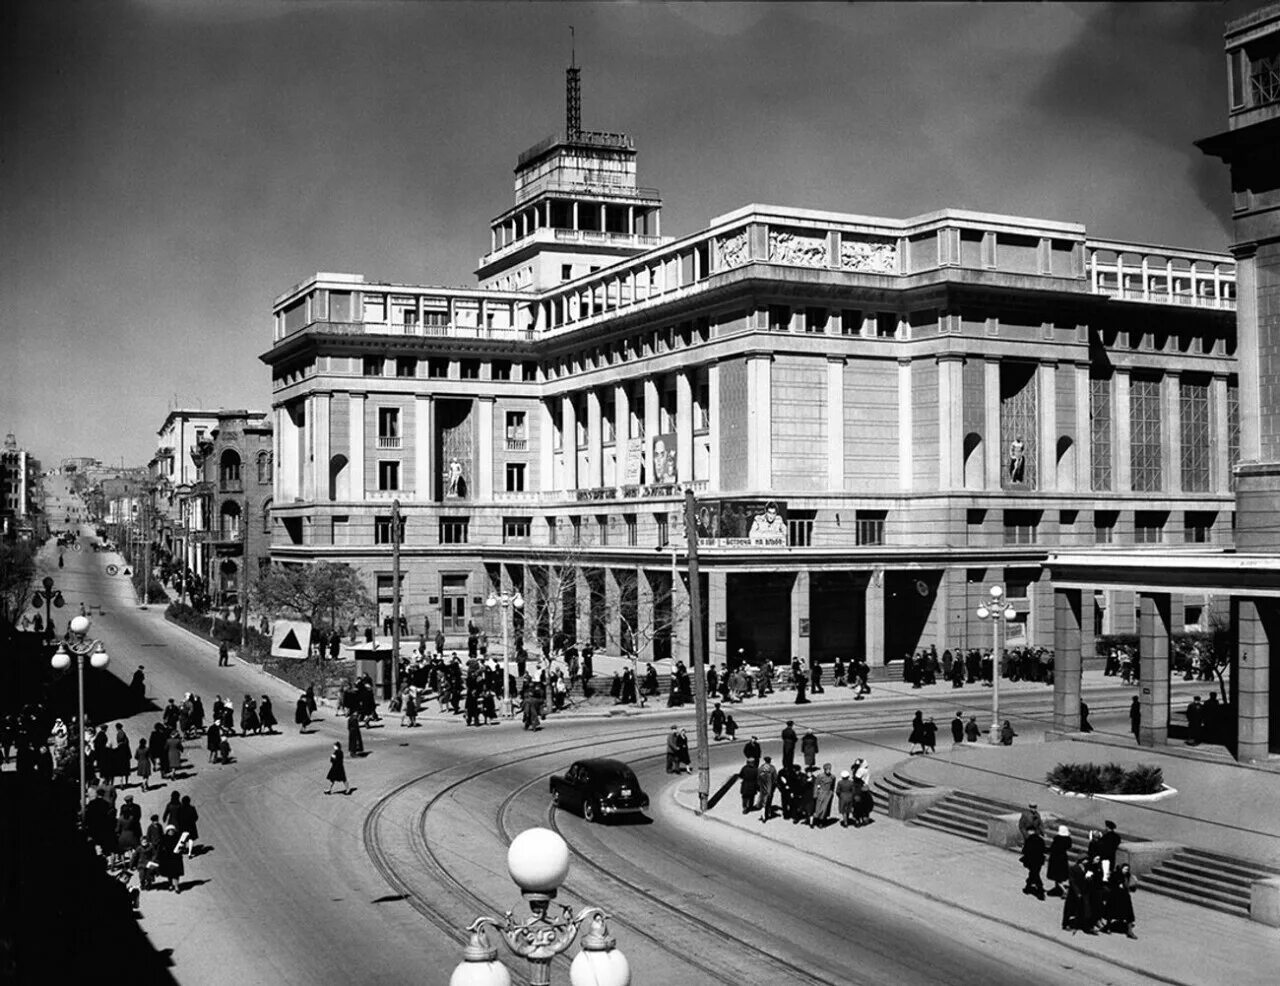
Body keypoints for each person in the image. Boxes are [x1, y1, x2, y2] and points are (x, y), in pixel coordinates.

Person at [1104, 863, 1138, 938]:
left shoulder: (1128, 876)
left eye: (1127, 869)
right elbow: (1111, 884)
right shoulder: (1115, 875)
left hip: (1125, 897)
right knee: (1111, 913)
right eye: (1125, 869)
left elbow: (1130, 886)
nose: (1126, 871)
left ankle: (1129, 931)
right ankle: (1108, 927)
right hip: (1115, 897)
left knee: (1129, 914)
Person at [1047, 824, 1073, 896]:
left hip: (1055, 858)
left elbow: (1052, 848)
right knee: (1060, 876)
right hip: (1063, 858)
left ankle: (1063, 891)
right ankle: (1058, 889)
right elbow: (1069, 846)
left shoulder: (1057, 839)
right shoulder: (1068, 839)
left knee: (1056, 876)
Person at [1021, 827, 1046, 899]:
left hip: (1031, 861)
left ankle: (1040, 890)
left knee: (1034, 874)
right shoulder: (1041, 840)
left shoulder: (1029, 840)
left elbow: (1025, 850)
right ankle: (1028, 887)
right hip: (1039, 861)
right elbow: (1043, 850)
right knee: (1034, 873)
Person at [811, 763, 835, 829]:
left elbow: (833, 785)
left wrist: (832, 792)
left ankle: (821, 821)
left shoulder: (833, 777)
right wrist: (815, 794)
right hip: (821, 793)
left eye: (829, 769)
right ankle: (816, 820)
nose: (829, 771)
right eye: (827, 769)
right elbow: (816, 784)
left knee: (825, 808)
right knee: (819, 808)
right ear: (824, 770)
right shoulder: (820, 776)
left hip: (828, 794)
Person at [757, 756, 777, 822]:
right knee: (768, 801)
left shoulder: (761, 768)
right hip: (770, 788)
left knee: (763, 802)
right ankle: (768, 813)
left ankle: (764, 815)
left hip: (762, 788)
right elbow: (775, 778)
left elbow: (758, 777)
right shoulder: (772, 768)